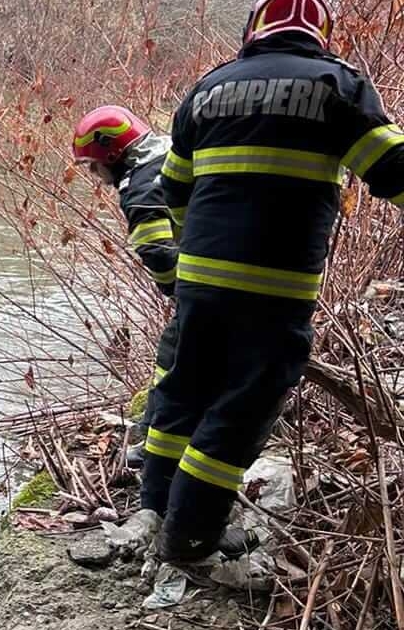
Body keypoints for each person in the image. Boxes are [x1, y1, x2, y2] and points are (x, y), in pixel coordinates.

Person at [146, 0, 404, 563]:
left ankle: (155, 506)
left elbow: (173, 188)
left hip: (198, 281)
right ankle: (190, 539)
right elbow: (392, 171)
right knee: (244, 405)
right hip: (273, 288)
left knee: (186, 387)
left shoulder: (206, 89)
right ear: (320, 33)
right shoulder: (338, 86)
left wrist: (198, 248)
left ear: (254, 30)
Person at [72, 106, 181, 467]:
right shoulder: (172, 150)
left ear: (113, 155)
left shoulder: (141, 186)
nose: (93, 173)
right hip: (238, 260)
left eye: (93, 164)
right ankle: (152, 432)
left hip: (209, 282)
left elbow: (157, 250)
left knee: (174, 358)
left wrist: (179, 291)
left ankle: (155, 450)